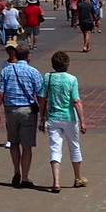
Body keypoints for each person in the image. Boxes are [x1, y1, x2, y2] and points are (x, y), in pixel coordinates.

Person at [0, 45, 45, 189]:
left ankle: (16, 171)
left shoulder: (6, 71)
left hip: (10, 110)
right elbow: (40, 95)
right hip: (27, 111)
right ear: (28, 56)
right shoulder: (34, 72)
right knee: (27, 145)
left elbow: (0, 93)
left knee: (13, 142)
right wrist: (43, 114)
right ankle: (25, 177)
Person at [39, 50, 87, 191]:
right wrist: (83, 120)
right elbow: (76, 101)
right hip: (70, 117)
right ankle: (78, 178)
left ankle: (56, 181)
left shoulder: (48, 77)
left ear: (53, 64)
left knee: (55, 148)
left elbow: (42, 98)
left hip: (53, 117)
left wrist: (42, 116)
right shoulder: (72, 79)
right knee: (74, 146)